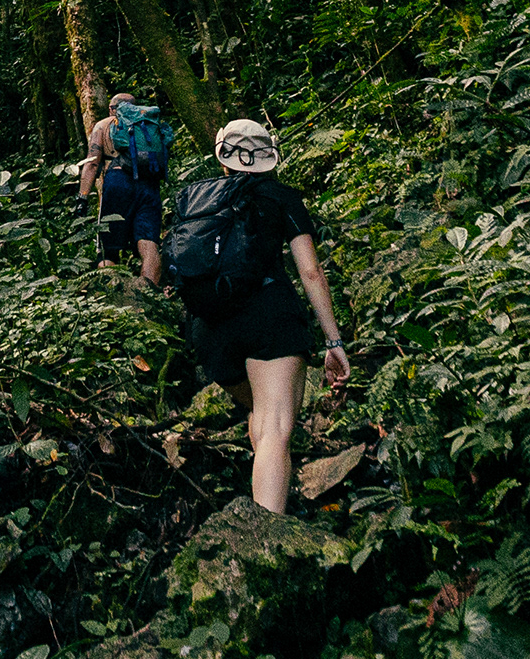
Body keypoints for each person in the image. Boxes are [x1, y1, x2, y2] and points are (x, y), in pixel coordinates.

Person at [149, 116, 351, 515]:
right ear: (268, 158)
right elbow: (310, 270)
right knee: (276, 428)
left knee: (262, 415)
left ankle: (265, 507)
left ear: (222, 157)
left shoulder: (197, 199)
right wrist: (334, 341)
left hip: (210, 331)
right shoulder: (281, 197)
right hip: (270, 321)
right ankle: (266, 540)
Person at [80, 89, 170, 279]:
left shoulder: (103, 125)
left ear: (112, 108)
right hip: (149, 184)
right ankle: (150, 296)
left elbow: (92, 163)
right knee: (149, 242)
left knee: (108, 247)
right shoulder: (147, 125)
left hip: (117, 184)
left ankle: (111, 300)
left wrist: (83, 196)